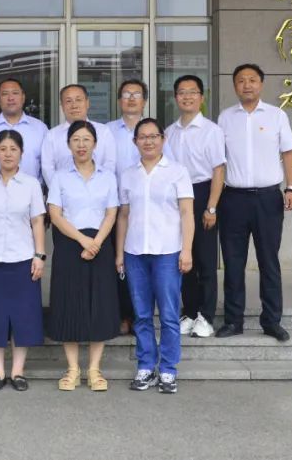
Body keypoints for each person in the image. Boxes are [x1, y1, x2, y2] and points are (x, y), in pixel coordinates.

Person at [217, 63, 292, 343]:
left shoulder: (276, 115)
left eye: (252, 80)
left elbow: (289, 153)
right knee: (233, 262)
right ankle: (233, 321)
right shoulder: (225, 118)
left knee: (269, 261)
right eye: (241, 81)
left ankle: (272, 321)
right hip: (233, 199)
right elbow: (218, 160)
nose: (247, 85)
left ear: (261, 84)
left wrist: (291, 188)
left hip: (268, 198)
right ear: (235, 86)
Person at [116, 118, 195, 394]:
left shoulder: (177, 172)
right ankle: (146, 366)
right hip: (135, 253)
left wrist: (187, 250)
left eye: (153, 136)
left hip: (167, 253)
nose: (148, 141)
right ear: (135, 141)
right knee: (141, 315)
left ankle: (169, 370)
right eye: (142, 137)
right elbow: (123, 216)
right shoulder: (128, 174)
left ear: (163, 139)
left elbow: (187, 213)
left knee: (170, 315)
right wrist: (119, 253)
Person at [0, 130, 47, 392]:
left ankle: (18, 372)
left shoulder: (31, 185)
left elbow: (38, 221)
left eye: (13, 149)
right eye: (2, 149)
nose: (8, 154)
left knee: (23, 316)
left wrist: (39, 255)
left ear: (21, 153)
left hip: (23, 258)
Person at [46, 120, 121, 391]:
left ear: (95, 144)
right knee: (69, 303)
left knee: (98, 304)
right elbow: (55, 215)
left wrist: (97, 242)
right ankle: (73, 369)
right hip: (70, 243)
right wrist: (82, 239)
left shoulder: (107, 177)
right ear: (68, 145)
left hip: (100, 244)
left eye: (86, 139)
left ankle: (94, 370)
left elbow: (111, 213)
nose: (81, 144)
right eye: (76, 139)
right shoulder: (60, 177)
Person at [164, 75, 226, 340]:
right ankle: (189, 312)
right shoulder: (169, 132)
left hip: (202, 194)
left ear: (202, 97)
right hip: (177, 197)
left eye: (192, 92)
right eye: (181, 92)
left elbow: (218, 171)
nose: (187, 96)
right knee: (183, 258)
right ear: (175, 98)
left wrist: (211, 208)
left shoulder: (212, 130)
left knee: (205, 260)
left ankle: (206, 316)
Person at [105, 78, 147, 335]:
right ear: (119, 100)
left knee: (140, 263)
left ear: (144, 100)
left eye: (137, 94)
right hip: (114, 208)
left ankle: (140, 316)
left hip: (146, 208)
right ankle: (121, 315)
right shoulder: (106, 131)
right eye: (126, 94)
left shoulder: (153, 130)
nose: (131, 98)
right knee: (117, 263)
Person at [0, 78, 48, 185]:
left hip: (31, 193)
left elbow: (47, 166)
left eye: (15, 93)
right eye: (5, 94)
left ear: (23, 97)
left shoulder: (40, 128)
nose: (10, 98)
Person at [41, 84, 117, 190]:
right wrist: (61, 191)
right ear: (62, 106)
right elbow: (47, 168)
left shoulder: (104, 132)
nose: (74, 105)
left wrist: (95, 190)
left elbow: (109, 164)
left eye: (78, 100)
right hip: (63, 196)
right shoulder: (52, 135)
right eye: (68, 101)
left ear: (87, 103)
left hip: (98, 194)